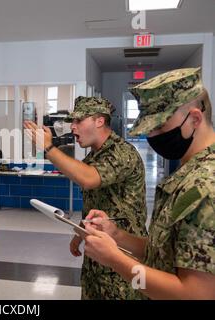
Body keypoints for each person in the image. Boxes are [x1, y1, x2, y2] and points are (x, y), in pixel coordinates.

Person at [82, 67, 215, 299]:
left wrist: (114, 259)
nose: (152, 137)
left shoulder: (205, 186)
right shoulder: (189, 173)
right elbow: (163, 254)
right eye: (149, 130)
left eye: (160, 127)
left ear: (195, 118)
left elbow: (194, 294)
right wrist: (117, 235)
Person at [24, 97, 147, 299]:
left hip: (123, 253)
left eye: (78, 121)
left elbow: (89, 179)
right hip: (97, 251)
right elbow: (97, 203)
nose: (72, 128)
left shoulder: (122, 152)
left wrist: (48, 148)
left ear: (99, 121)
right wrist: (79, 234)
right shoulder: (93, 157)